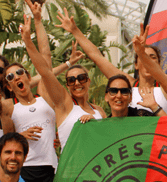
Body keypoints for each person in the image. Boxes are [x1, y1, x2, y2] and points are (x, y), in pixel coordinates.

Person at [56, 7, 167, 116]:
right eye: (143, 57)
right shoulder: (127, 84)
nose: (147, 61)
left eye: (152, 58)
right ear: (136, 63)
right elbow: (97, 57)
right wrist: (75, 31)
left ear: (157, 64)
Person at [18, 14, 106, 151]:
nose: (77, 83)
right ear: (67, 85)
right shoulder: (64, 104)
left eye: (81, 78)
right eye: (71, 80)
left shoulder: (99, 111)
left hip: (98, 163)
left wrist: (94, 123)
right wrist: (28, 41)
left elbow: (107, 138)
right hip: (73, 164)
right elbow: (45, 72)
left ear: (88, 81)